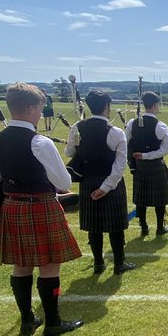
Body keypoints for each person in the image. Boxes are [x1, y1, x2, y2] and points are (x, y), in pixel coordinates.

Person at [0, 82, 83, 336]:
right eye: (40, 109)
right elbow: (63, 183)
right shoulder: (40, 142)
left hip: (12, 208)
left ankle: (27, 320)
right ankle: (52, 322)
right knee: (50, 266)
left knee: (21, 266)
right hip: (41, 206)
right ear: (30, 108)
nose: (41, 114)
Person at [66, 89, 135, 275]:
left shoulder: (77, 128)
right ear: (107, 106)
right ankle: (119, 264)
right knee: (116, 227)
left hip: (88, 182)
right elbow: (120, 165)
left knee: (94, 227)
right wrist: (106, 187)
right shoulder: (115, 132)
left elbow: (69, 153)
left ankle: (98, 264)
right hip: (111, 183)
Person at [124, 91, 168, 238]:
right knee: (159, 199)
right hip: (156, 165)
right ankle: (159, 228)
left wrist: (139, 157)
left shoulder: (132, 124)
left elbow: (128, 143)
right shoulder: (161, 126)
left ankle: (144, 227)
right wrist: (147, 155)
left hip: (139, 166)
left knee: (142, 198)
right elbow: (165, 149)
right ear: (155, 105)